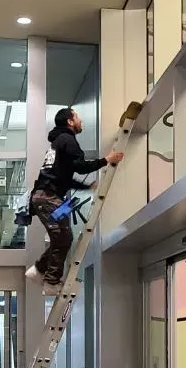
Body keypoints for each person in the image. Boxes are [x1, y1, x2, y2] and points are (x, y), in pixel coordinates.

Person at [24, 107, 123, 293]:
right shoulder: (67, 140)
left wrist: (87, 187)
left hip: (45, 198)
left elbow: (65, 177)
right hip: (48, 198)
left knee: (61, 237)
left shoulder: (57, 143)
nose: (81, 121)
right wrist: (106, 160)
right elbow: (80, 166)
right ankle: (51, 281)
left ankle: (38, 270)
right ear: (70, 122)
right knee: (63, 237)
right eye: (77, 117)